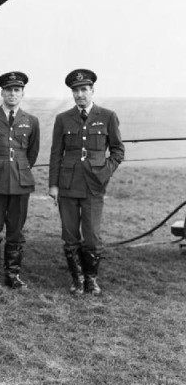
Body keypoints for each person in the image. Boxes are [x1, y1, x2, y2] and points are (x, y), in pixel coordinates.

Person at [49, 69, 125, 296]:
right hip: (68, 184)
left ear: (92, 91)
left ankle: (91, 279)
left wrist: (104, 172)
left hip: (94, 185)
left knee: (91, 236)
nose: (80, 94)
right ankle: (77, 279)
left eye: (84, 90)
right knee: (70, 234)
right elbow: (55, 154)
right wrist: (53, 185)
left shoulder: (108, 116)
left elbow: (118, 150)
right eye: (75, 90)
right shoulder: (63, 119)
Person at [0, 72, 40, 290]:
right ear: (2, 92)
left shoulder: (31, 121)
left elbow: (32, 153)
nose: (12, 94)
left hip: (20, 181)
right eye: (9, 90)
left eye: (17, 90)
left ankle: (13, 274)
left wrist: (19, 168)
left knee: (16, 230)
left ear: (22, 94)